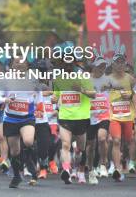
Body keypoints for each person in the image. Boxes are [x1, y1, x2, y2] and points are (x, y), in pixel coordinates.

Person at [53, 54, 94, 185]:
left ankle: (78, 165)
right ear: (62, 65)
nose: (68, 66)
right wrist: (54, 98)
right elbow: (56, 96)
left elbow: (93, 94)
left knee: (81, 148)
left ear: (74, 64)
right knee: (65, 144)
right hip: (65, 116)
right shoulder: (58, 79)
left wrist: (81, 90)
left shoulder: (83, 77)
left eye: (70, 64)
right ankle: (66, 170)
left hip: (81, 117)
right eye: (65, 64)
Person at [0, 57, 41, 188]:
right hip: (10, 118)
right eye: (16, 62)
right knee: (15, 151)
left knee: (28, 141)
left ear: (27, 65)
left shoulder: (33, 78)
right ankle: (17, 175)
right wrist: (4, 99)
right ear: (11, 65)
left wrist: (39, 108)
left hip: (27, 117)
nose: (19, 65)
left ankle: (31, 163)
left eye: (22, 62)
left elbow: (39, 93)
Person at [108, 53, 136, 181]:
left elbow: (135, 95)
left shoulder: (130, 79)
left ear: (125, 64)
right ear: (113, 64)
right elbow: (103, 97)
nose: (120, 65)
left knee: (128, 141)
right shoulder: (107, 79)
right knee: (116, 141)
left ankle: (128, 161)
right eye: (117, 62)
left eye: (122, 62)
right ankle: (117, 169)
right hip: (114, 115)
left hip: (128, 115)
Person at [86, 56, 112, 184]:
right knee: (90, 145)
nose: (102, 68)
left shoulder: (108, 80)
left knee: (102, 138)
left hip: (104, 114)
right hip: (89, 115)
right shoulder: (86, 79)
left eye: (103, 66)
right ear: (93, 66)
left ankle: (103, 164)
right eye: (99, 66)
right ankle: (90, 169)